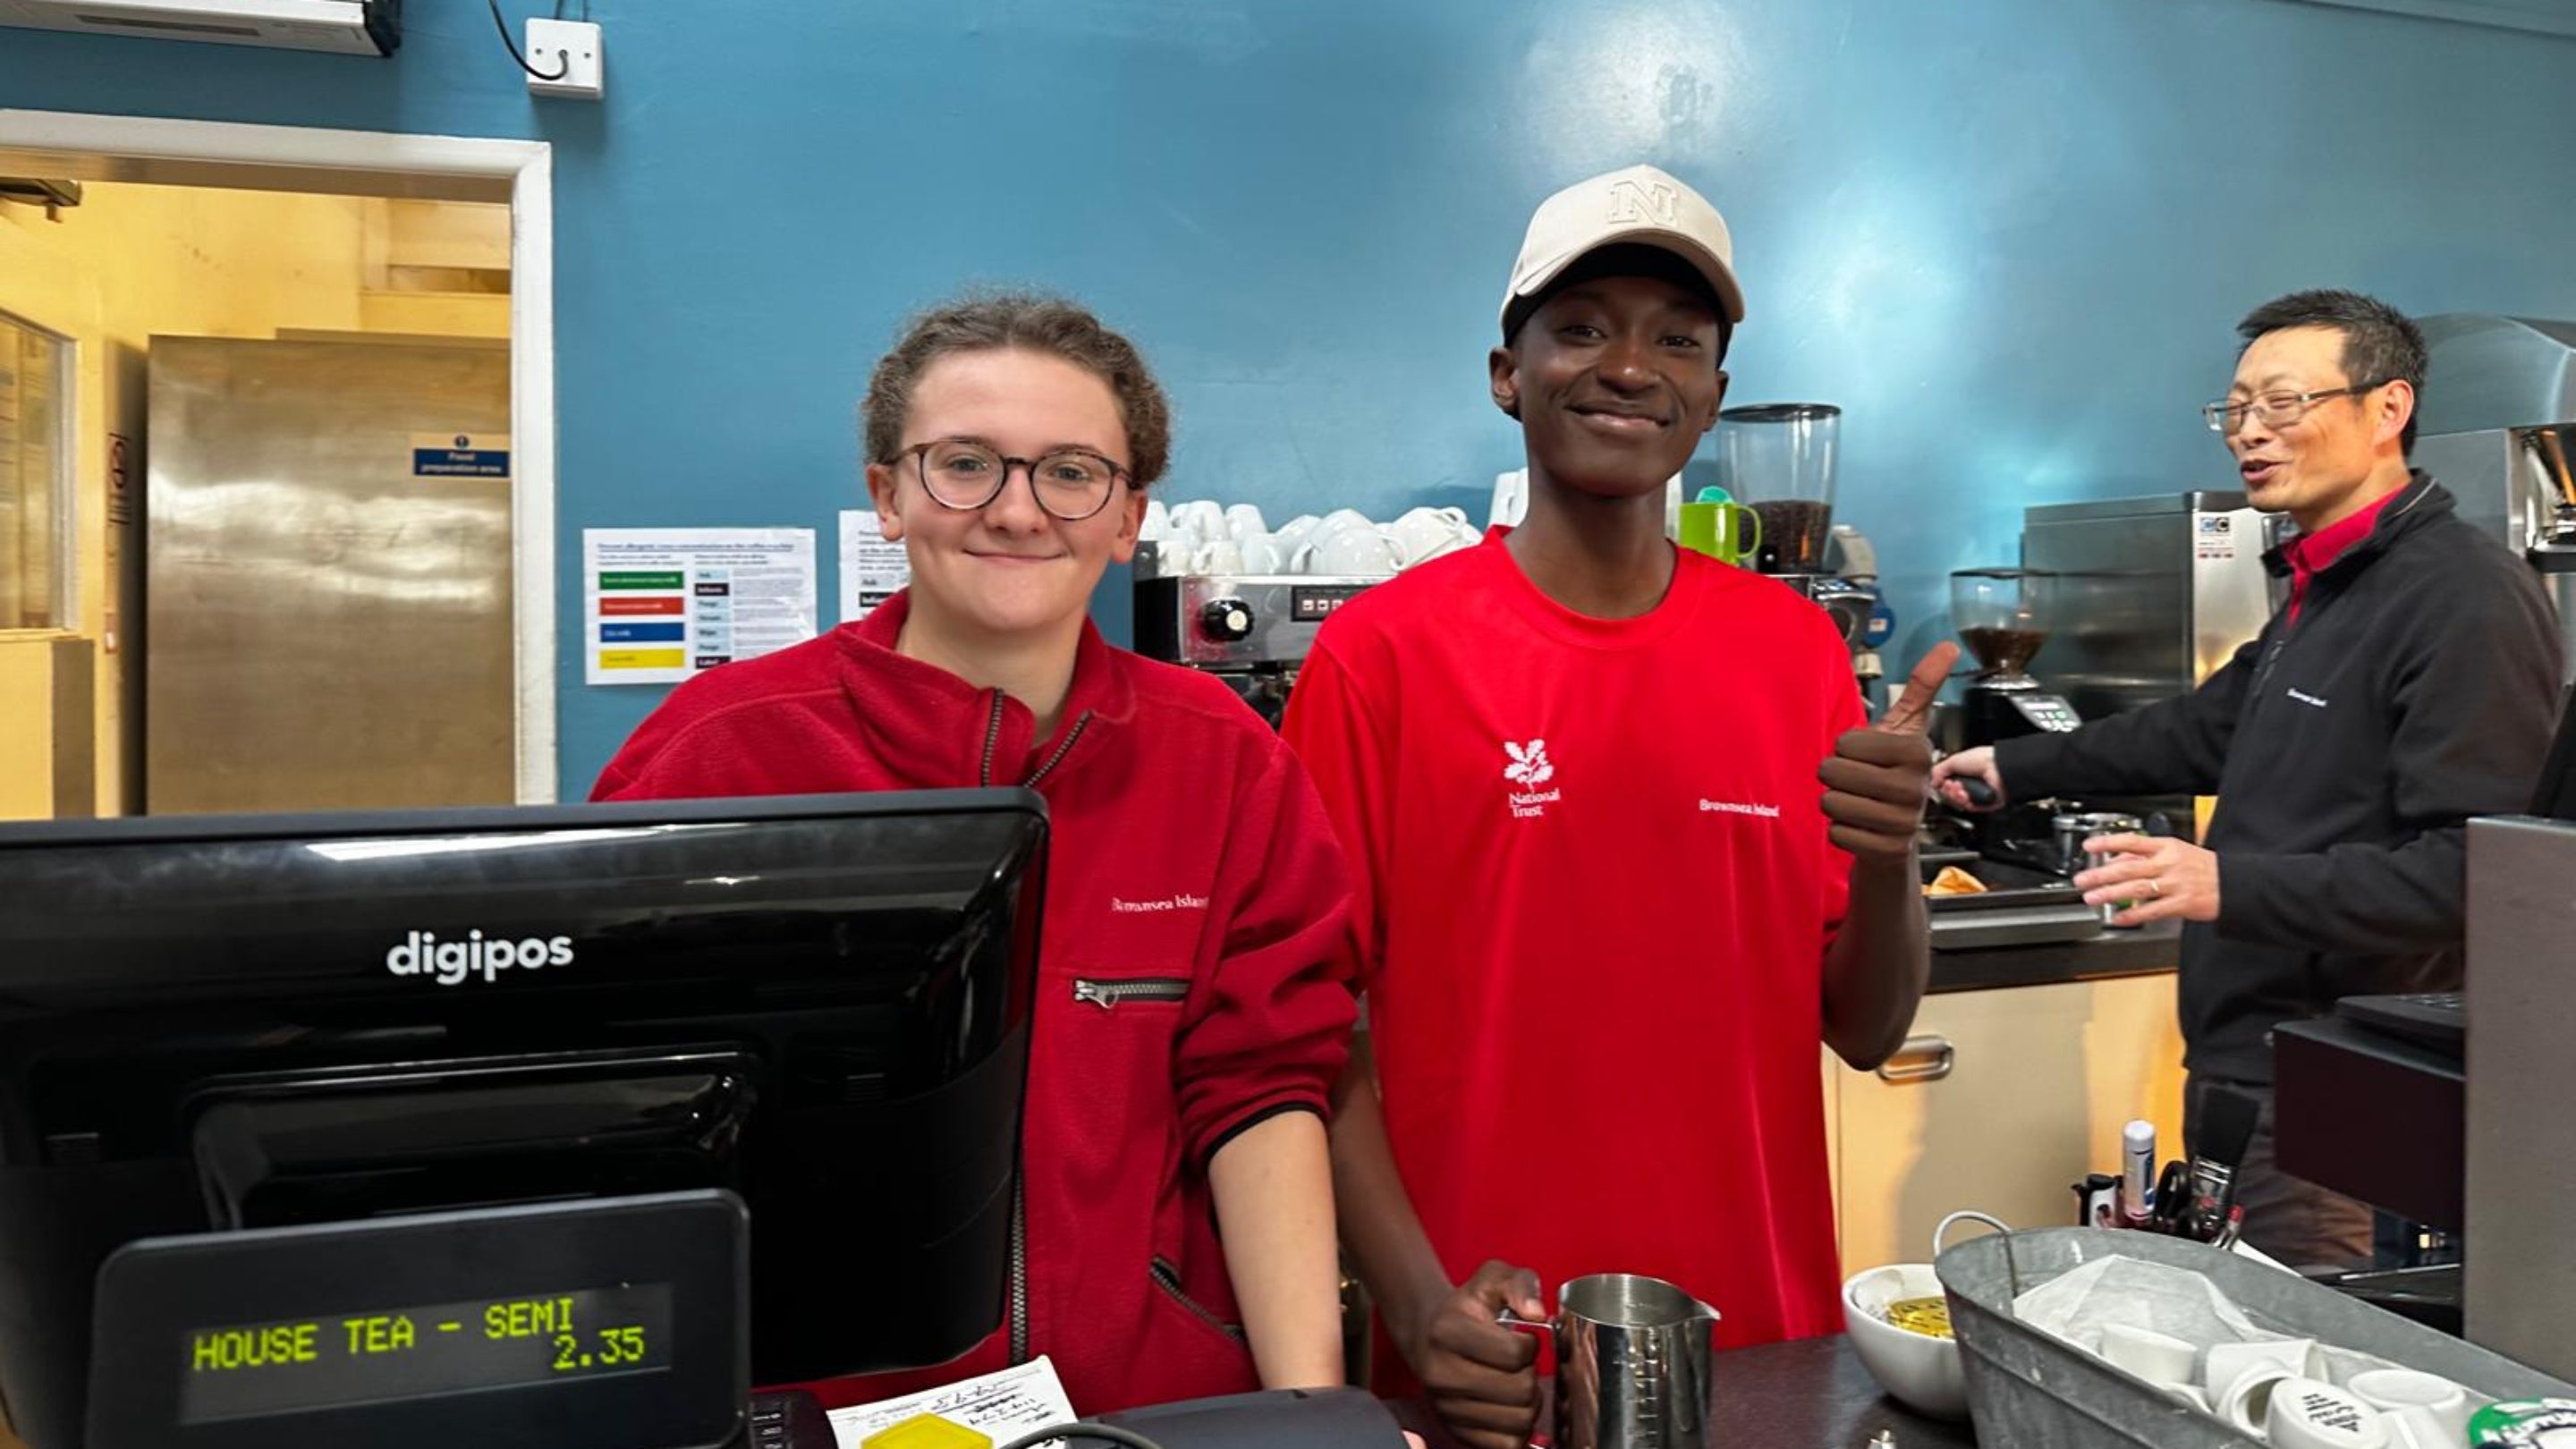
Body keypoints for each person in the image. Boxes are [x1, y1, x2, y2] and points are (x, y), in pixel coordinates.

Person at [1279, 165, 1949, 1449]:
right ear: (1505, 371)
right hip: (1488, 1349)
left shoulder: (1795, 651)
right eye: (1581, 327)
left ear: (1713, 397)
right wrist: (1416, 1311)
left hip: (1758, 1344)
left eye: (1676, 340)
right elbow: (1318, 1033)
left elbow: (1864, 1030)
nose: (1629, 366)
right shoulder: (1383, 657)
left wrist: (1889, 857)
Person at [592, 293, 1355, 1411]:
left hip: (1147, 1414)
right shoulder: (720, 755)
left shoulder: (1227, 763)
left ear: (1127, 514)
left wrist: (1311, 1418)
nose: (1016, 511)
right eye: (966, 465)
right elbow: (624, 1122)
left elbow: (1262, 1093)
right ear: (888, 496)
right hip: (818, 1418)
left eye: (1071, 471)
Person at [1934, 289, 2564, 1268]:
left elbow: (2472, 878)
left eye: (2281, 404)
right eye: (2234, 410)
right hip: (2248, 1064)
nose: (2247, 435)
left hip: (2340, 1088)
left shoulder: (2465, 598)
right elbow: (2204, 729)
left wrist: (2225, 883)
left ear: (2387, 410)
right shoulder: (2327, 586)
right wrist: (2012, 765)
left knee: (2308, 1387)